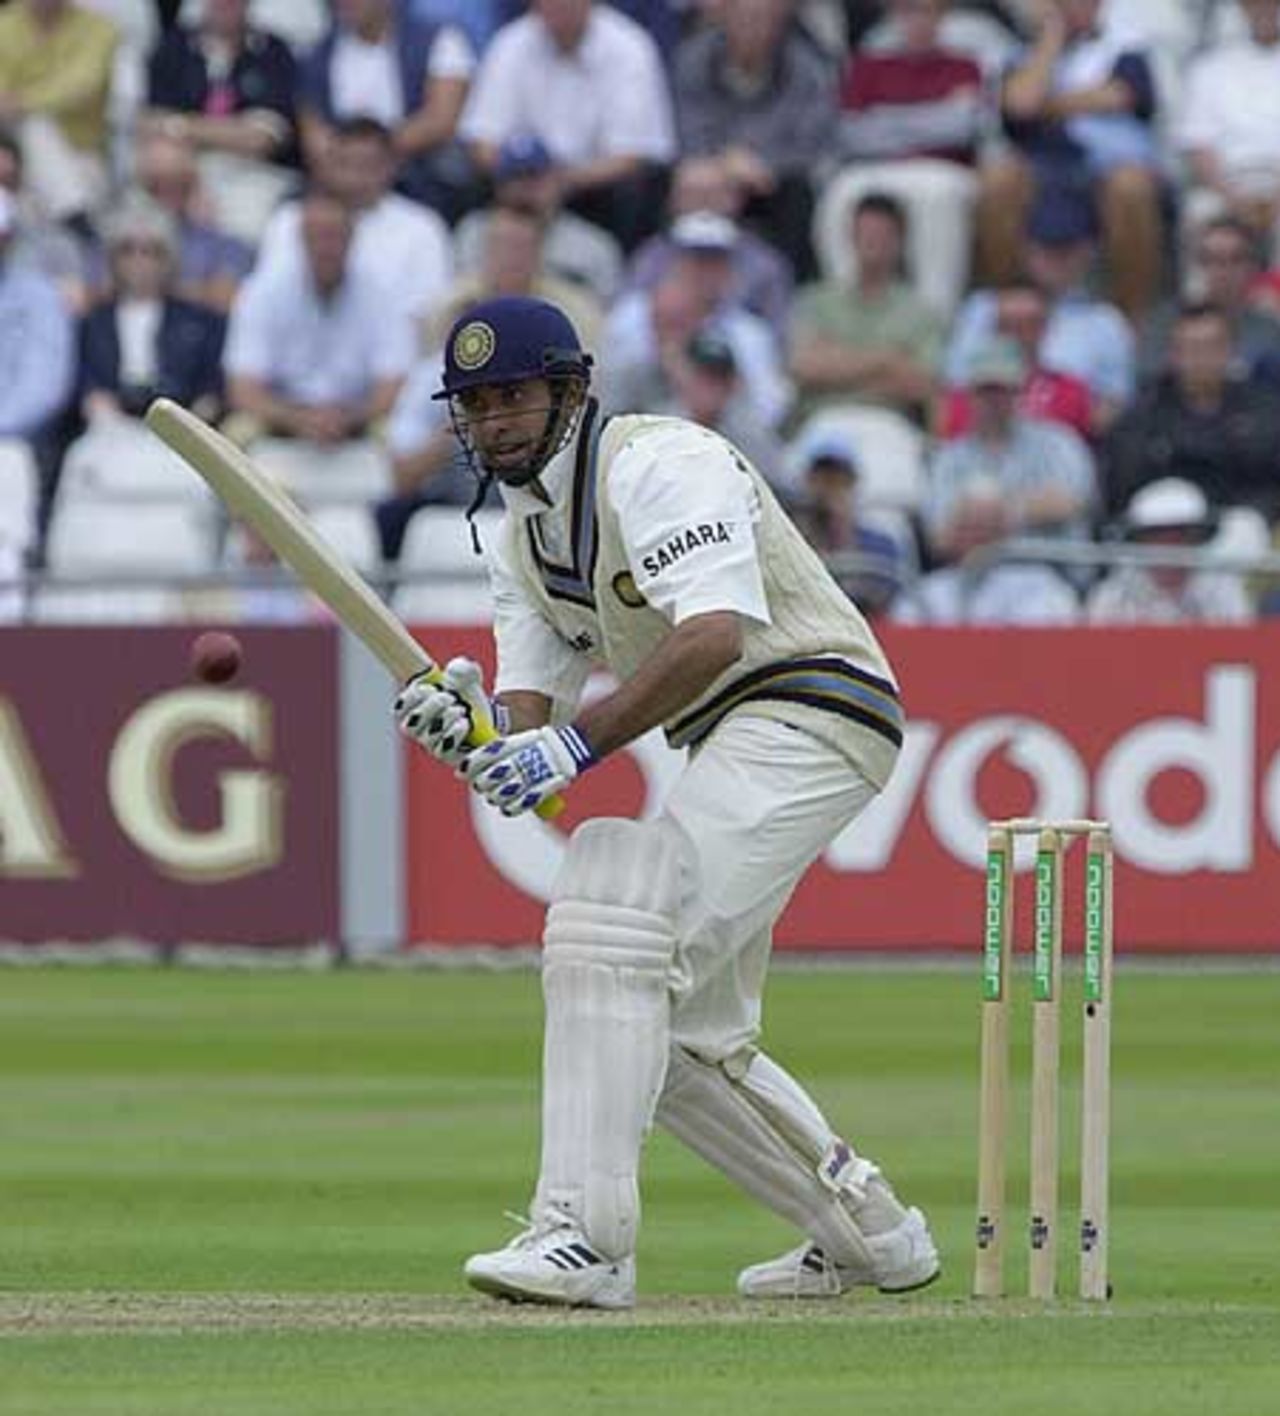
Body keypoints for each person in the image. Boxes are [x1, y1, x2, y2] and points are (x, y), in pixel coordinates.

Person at [393, 294, 939, 1309]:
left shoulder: (655, 462)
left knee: (613, 935)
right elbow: (525, 737)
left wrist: (569, 744)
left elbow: (712, 638)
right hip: (734, 734)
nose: (491, 422)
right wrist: (466, 734)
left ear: (569, 389)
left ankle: (583, 1239)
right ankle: (868, 1231)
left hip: (810, 705)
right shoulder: (519, 540)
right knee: (681, 1034)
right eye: (471, 405)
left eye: (511, 395)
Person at [1086, 477, 1254, 624]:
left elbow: (1240, 650)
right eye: (1157, 536)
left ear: (1197, 539)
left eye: (1181, 535)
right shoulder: (1113, 595)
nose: (1169, 547)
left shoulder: (1222, 588)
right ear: (1140, 541)